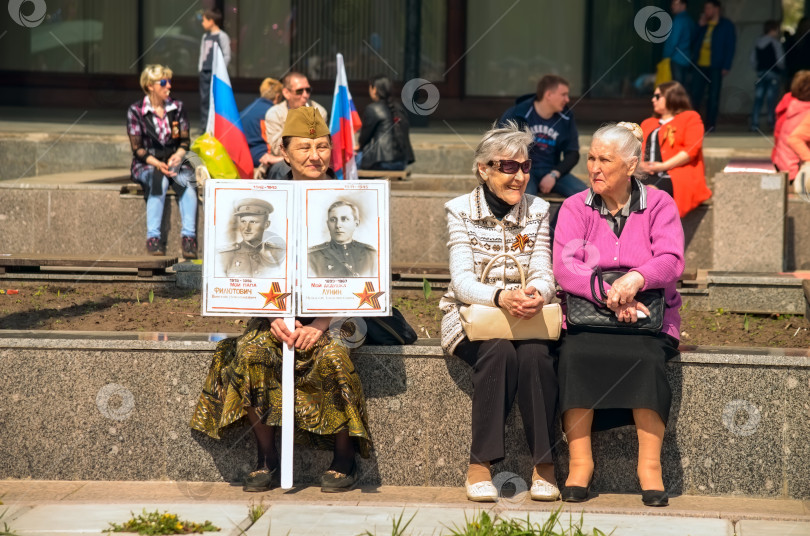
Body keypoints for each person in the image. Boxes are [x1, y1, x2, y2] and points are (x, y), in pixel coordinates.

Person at [190, 107, 371, 493]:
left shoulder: (348, 201)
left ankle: (344, 457)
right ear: (284, 152)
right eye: (303, 147)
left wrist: (321, 325)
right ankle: (267, 457)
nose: (314, 156)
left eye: (322, 147)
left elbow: (366, 277)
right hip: (274, 312)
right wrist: (269, 313)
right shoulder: (266, 196)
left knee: (334, 355)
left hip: (339, 315)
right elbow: (247, 274)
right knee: (250, 353)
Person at [553, 122, 684, 507]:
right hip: (588, 312)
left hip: (649, 315)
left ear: (630, 165)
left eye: (604, 160)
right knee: (573, 356)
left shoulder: (659, 203)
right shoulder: (576, 206)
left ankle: (650, 469)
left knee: (645, 360)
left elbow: (672, 260)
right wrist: (612, 294)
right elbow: (565, 266)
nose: (594, 166)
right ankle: (580, 465)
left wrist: (637, 278)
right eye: (591, 157)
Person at [439, 120, 559, 503]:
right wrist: (501, 296)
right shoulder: (460, 211)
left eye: (525, 167)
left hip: (526, 317)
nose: (520, 176)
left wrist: (538, 294)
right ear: (484, 169)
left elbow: (544, 271)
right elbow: (461, 281)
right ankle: (479, 465)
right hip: (472, 318)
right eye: (508, 166)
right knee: (498, 351)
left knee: (536, 356)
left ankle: (545, 465)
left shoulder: (538, 210)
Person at [126, 64, 197, 258]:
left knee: (188, 181)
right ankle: (153, 239)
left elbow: (184, 140)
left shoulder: (177, 107)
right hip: (147, 162)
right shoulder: (136, 111)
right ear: (150, 85)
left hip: (173, 160)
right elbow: (137, 148)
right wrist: (156, 163)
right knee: (159, 181)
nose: (168, 87)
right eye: (163, 82)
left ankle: (189, 238)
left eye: (169, 82)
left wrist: (179, 155)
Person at [499, 74, 587, 197]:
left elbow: (572, 153)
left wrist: (554, 174)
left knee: (586, 197)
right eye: (563, 94)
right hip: (523, 170)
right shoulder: (518, 113)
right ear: (549, 95)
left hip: (551, 170)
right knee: (524, 199)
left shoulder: (566, 117)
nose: (567, 99)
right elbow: (500, 146)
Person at [640, 81, 712, 217]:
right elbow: (635, 150)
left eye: (657, 96)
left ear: (671, 97)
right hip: (645, 173)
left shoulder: (690, 118)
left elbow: (691, 149)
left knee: (650, 194)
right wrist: (639, 165)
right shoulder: (647, 123)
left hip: (675, 175)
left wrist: (663, 166)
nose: (652, 99)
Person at [261, 72, 328, 179]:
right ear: (286, 93)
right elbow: (278, 149)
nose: (305, 95)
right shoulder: (275, 114)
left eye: (308, 90)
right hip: (283, 162)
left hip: (312, 160)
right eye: (299, 91)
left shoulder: (319, 111)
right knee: (284, 168)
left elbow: (321, 145)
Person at [689, 0, 736, 132]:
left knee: (713, 96)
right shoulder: (703, 24)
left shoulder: (726, 25)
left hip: (716, 65)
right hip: (699, 65)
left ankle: (711, 125)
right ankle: (694, 124)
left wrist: (726, 65)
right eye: (705, 9)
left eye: (709, 8)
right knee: (696, 94)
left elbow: (730, 47)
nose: (706, 11)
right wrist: (699, 26)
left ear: (717, 9)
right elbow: (692, 41)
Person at [356, 75, 415, 171]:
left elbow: (364, 138)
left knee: (350, 162)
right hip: (401, 162)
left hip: (379, 161)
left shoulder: (373, 108)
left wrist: (359, 146)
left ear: (374, 89)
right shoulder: (400, 108)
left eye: (370, 87)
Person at [217, 198, 286, 278]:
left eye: (253, 222)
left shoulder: (277, 254)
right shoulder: (225, 256)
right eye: (243, 222)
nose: (246, 228)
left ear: (266, 225)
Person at [308, 200, 378, 278]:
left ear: (356, 224)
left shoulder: (371, 256)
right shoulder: (313, 257)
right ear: (328, 224)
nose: (338, 225)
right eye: (333, 220)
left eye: (344, 219)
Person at [773, 71, 810, 183]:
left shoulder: (792, 106)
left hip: (781, 163)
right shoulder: (806, 111)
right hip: (794, 169)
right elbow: (794, 139)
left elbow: (777, 135)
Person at [198, 8, 231, 131]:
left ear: (211, 21)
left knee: (216, 101)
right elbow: (202, 54)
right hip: (205, 72)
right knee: (204, 100)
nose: (202, 23)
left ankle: (215, 128)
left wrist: (220, 71)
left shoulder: (222, 36)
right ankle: (204, 128)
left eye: (204, 20)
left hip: (216, 74)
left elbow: (227, 55)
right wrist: (201, 69)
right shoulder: (205, 36)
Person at [750, 20, 785, 131]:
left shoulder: (757, 42)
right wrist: (782, 68)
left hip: (761, 73)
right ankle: (771, 122)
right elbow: (780, 60)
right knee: (771, 99)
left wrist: (758, 67)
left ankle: (754, 122)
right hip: (773, 73)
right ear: (774, 30)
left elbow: (752, 59)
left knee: (758, 98)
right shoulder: (775, 43)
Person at [241, 78, 283, 168]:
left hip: (244, 157)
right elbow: (274, 145)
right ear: (278, 96)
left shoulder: (246, 109)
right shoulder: (272, 114)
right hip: (261, 158)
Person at [663, 0, 696, 87]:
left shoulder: (678, 20)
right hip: (687, 58)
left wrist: (666, 56)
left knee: (676, 87)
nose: (672, 6)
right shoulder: (690, 20)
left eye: (675, 4)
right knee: (683, 86)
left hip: (676, 58)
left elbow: (673, 41)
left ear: (683, 5)